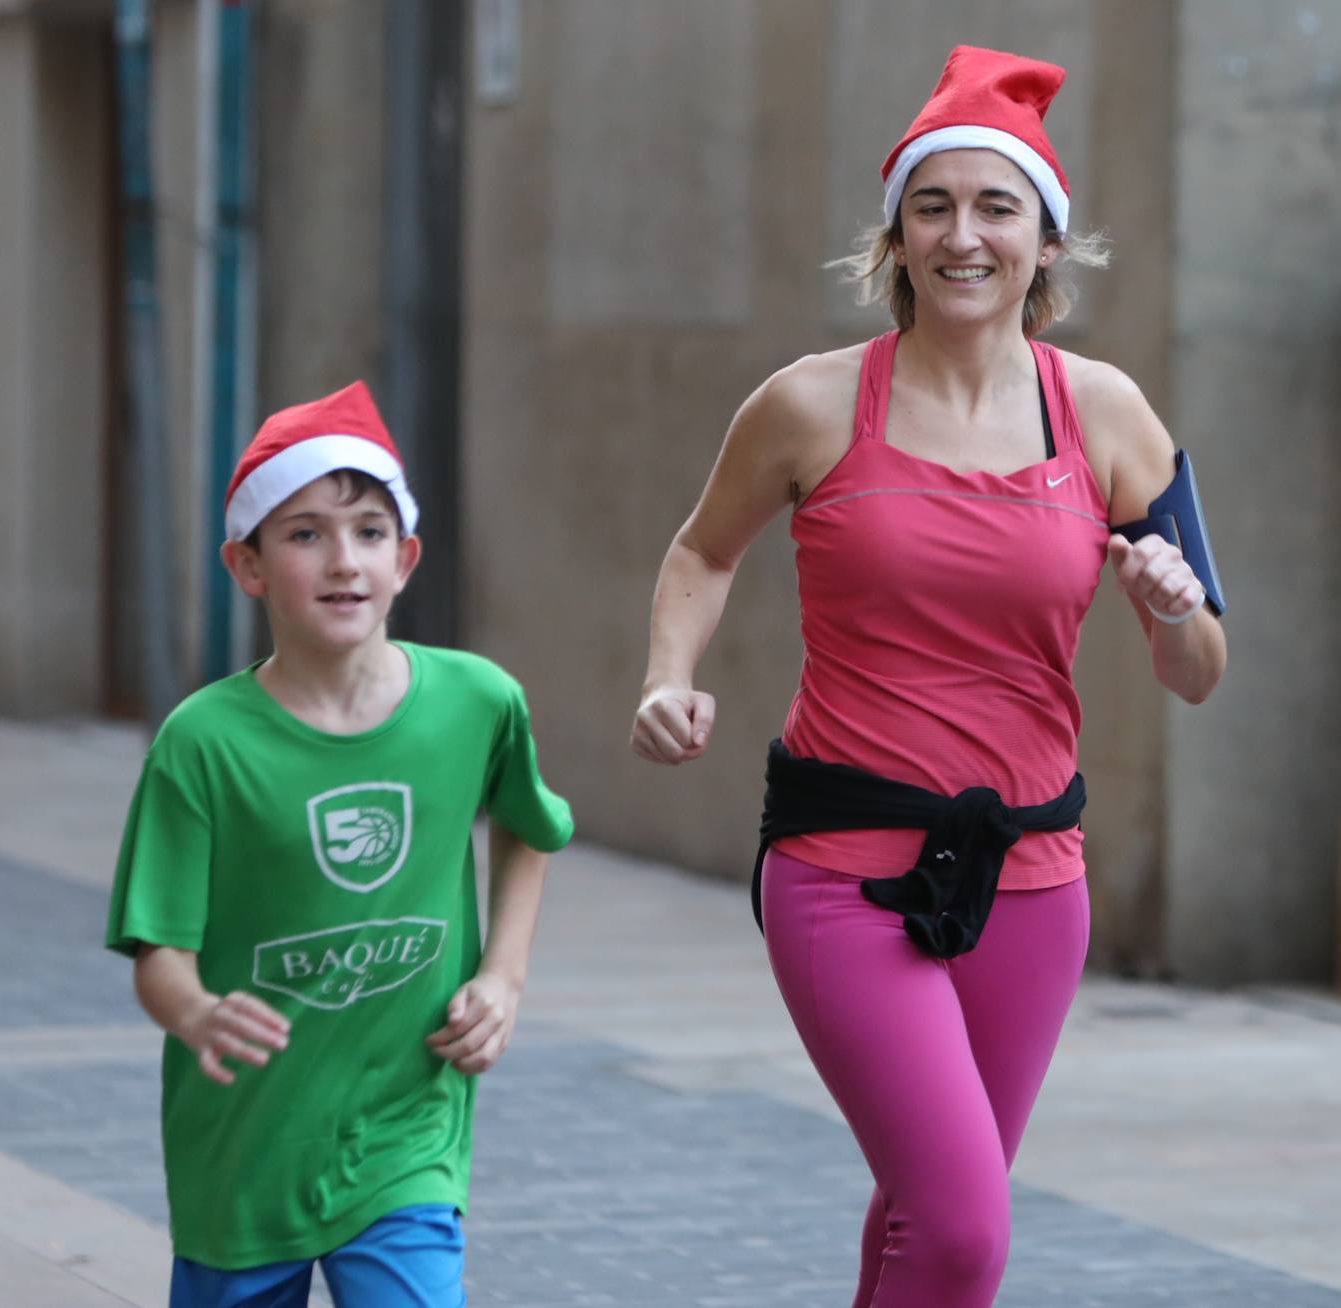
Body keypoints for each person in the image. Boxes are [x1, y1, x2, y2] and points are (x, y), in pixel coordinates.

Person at [630, 44, 1225, 1308]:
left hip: (1034, 878)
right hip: (844, 870)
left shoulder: (1110, 414)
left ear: (1047, 241)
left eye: (997, 207)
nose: (964, 236)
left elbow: (1200, 671)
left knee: (924, 1218)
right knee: (961, 1230)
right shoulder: (808, 405)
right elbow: (700, 549)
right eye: (933, 205)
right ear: (894, 235)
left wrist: (1172, 613)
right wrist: (666, 675)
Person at [106, 380, 573, 1307]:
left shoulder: (480, 701)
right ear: (247, 565)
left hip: (407, 1131)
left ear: (405, 559)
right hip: (243, 1153)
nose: (342, 561)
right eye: (305, 533)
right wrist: (197, 1014)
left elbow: (530, 825)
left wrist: (503, 974)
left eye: (366, 532)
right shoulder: (202, 744)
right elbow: (159, 953)